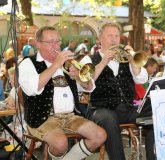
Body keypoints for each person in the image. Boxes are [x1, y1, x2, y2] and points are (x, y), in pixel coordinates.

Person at [18, 26, 106, 160]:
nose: (56, 45)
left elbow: (89, 87)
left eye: (58, 41)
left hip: (71, 116)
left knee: (100, 135)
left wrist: (78, 77)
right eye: (50, 42)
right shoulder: (28, 63)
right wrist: (55, 65)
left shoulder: (68, 63)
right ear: (38, 44)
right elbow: (32, 89)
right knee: (60, 143)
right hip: (43, 117)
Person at [87, 22, 155, 160]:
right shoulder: (88, 59)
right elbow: (86, 85)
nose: (114, 39)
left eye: (116, 36)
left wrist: (133, 62)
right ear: (100, 39)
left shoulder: (125, 57)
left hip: (127, 108)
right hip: (100, 109)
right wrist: (103, 62)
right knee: (109, 119)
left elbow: (142, 80)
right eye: (109, 36)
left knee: (155, 113)